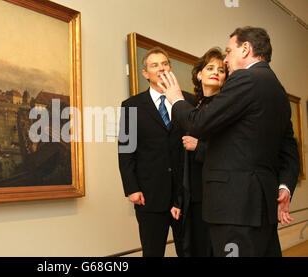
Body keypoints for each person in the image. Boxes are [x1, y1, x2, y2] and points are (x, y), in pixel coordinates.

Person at [159, 26, 300, 257]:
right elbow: (290, 150)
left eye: (228, 51)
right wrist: (285, 186)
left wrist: (175, 99)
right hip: (261, 206)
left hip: (236, 207)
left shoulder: (246, 78)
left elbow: (199, 123)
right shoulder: (278, 90)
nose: (226, 60)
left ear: (245, 49)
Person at [118, 46, 196, 257]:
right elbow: (126, 150)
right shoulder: (131, 106)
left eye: (165, 64)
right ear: (145, 74)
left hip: (185, 195)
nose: (161, 68)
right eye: (155, 65)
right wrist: (131, 188)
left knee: (189, 252)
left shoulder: (188, 102)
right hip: (149, 196)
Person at [170, 47, 228, 257]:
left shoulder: (226, 106)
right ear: (199, 74)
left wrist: (200, 147)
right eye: (210, 68)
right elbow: (181, 159)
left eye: (221, 70)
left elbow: (231, 151)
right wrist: (179, 200)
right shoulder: (193, 107)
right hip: (191, 194)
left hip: (214, 194)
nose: (216, 72)